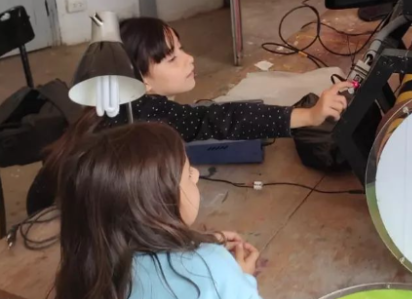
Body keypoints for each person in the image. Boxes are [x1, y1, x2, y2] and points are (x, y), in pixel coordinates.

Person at [28, 16, 351, 214]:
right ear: (139, 80)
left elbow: (217, 118)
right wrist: (308, 117)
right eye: (172, 59)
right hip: (58, 220)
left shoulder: (112, 104)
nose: (190, 59)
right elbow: (222, 120)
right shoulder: (144, 119)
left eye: (181, 49)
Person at [51, 122, 265, 299]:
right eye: (187, 174)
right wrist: (242, 279)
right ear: (156, 203)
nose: (197, 175)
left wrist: (196, 243)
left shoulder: (84, 266)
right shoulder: (210, 269)